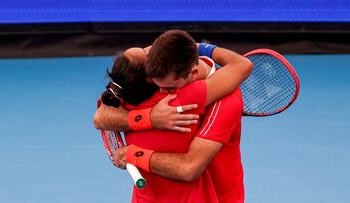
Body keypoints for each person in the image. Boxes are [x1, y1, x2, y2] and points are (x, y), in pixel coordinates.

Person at [94, 30, 253, 202]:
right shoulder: (158, 82)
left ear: (192, 73)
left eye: (169, 88)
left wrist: (134, 152)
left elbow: (189, 168)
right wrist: (151, 117)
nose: (162, 92)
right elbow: (243, 65)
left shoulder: (138, 87)